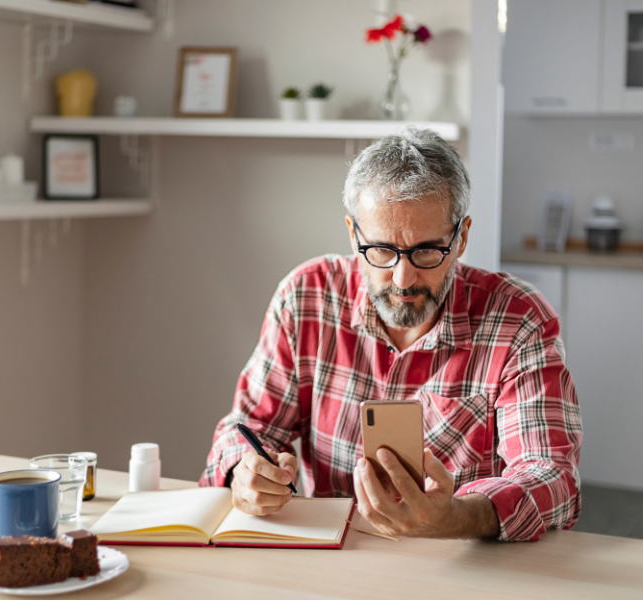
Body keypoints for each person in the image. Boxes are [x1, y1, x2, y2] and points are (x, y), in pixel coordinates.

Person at [198, 128, 581, 542]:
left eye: (426, 251)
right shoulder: (306, 296)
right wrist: (245, 471)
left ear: (461, 238)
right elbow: (249, 425)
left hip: (462, 568)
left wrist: (460, 516)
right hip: (331, 563)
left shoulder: (520, 319)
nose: (403, 278)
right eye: (381, 250)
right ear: (353, 233)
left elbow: (552, 477)